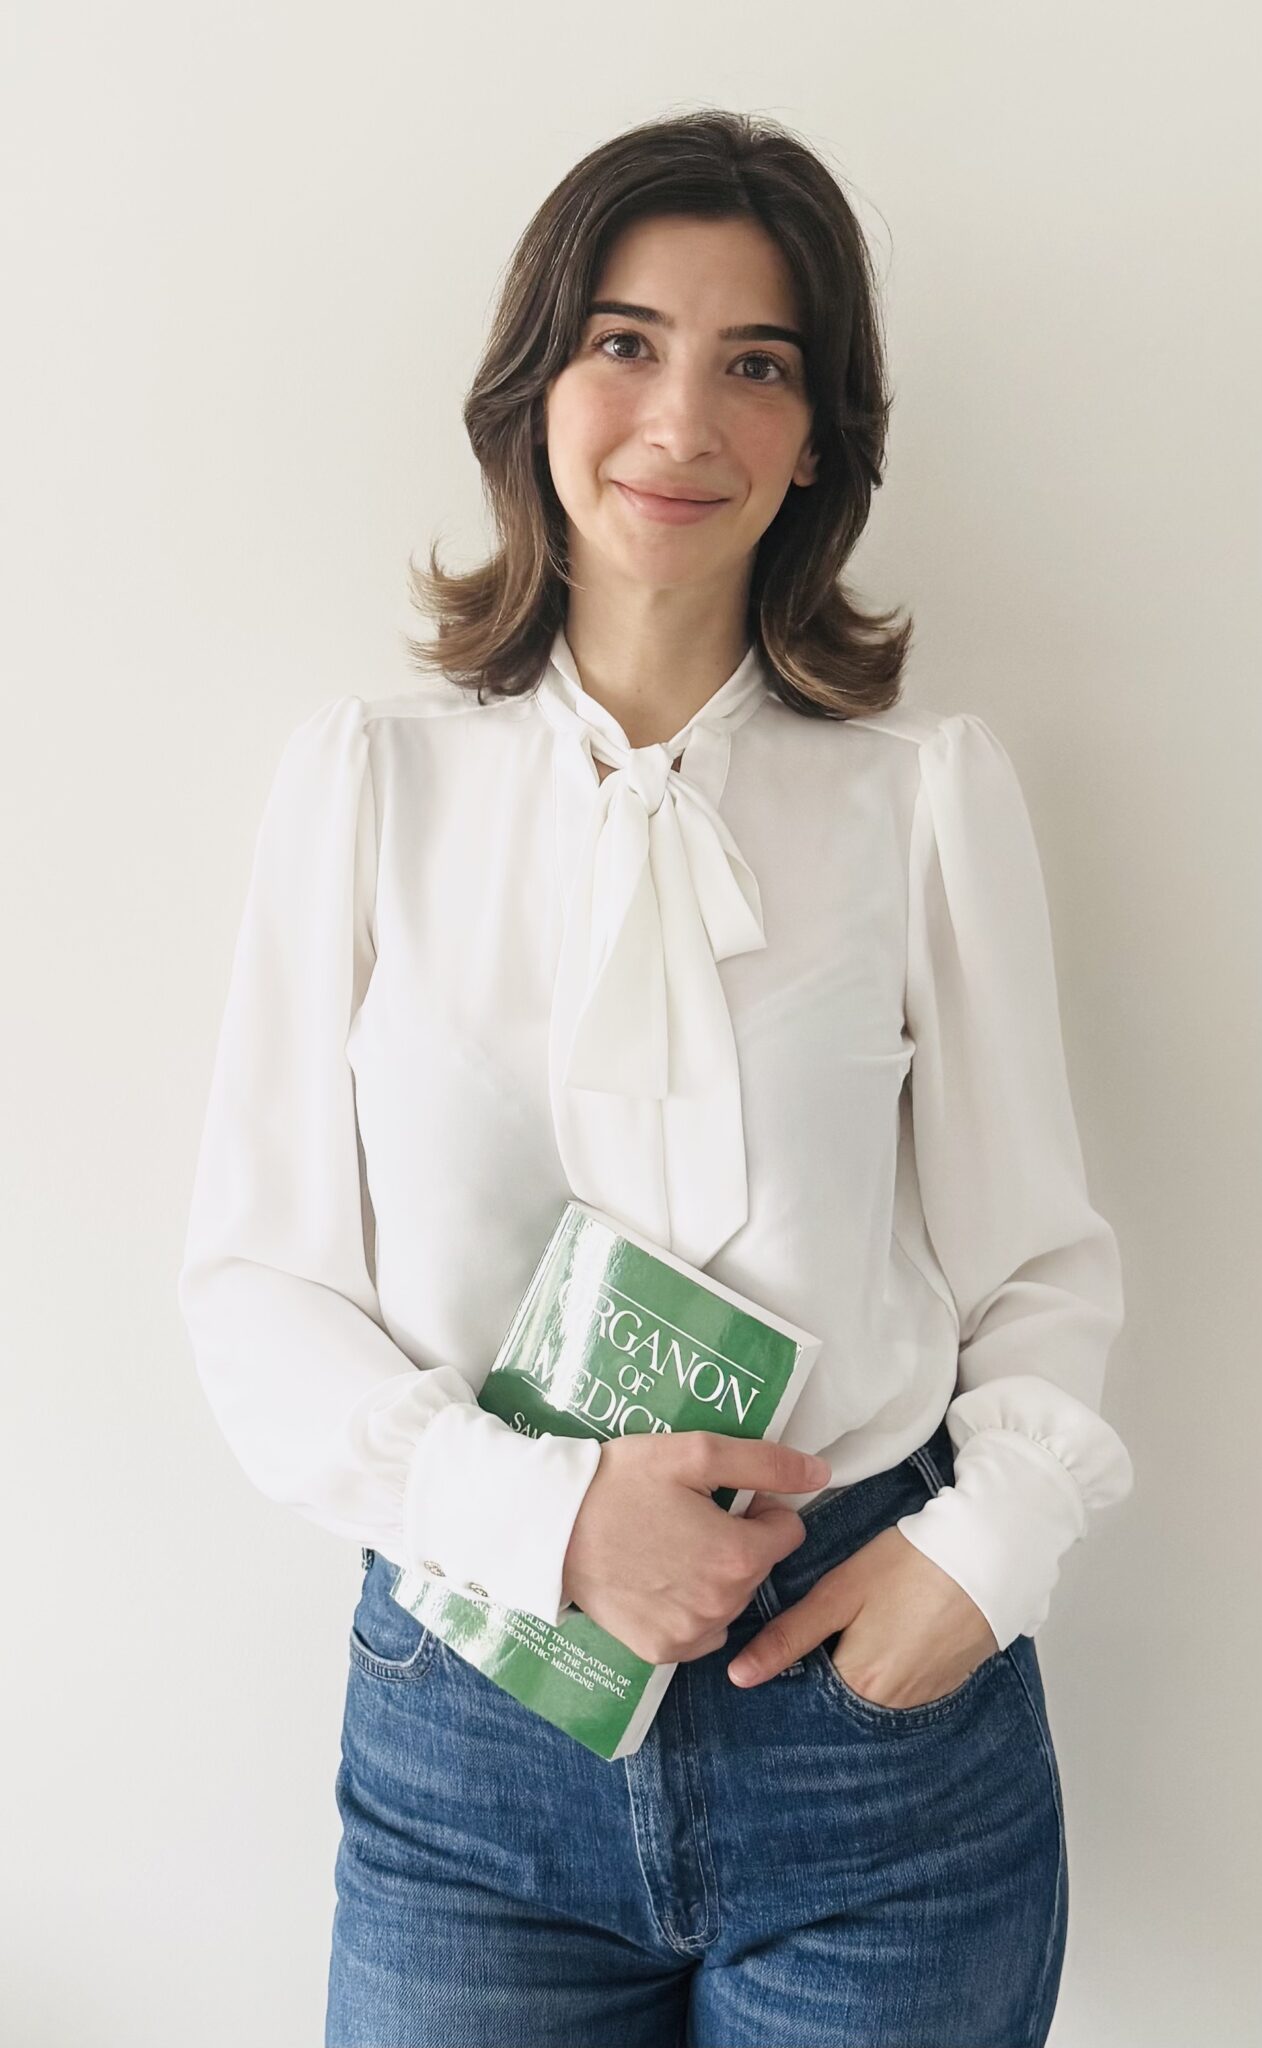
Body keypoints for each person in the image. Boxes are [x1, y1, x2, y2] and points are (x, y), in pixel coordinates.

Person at [177, 108, 1135, 2048]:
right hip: (478, 1730)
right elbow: (260, 1284)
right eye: (625, 341)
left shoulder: (921, 792)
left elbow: (1035, 1257)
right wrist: (541, 1516)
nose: (681, 418)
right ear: (532, 383)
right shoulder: (369, 782)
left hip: (871, 1728)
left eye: (754, 364)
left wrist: (983, 1554)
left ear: (817, 436)